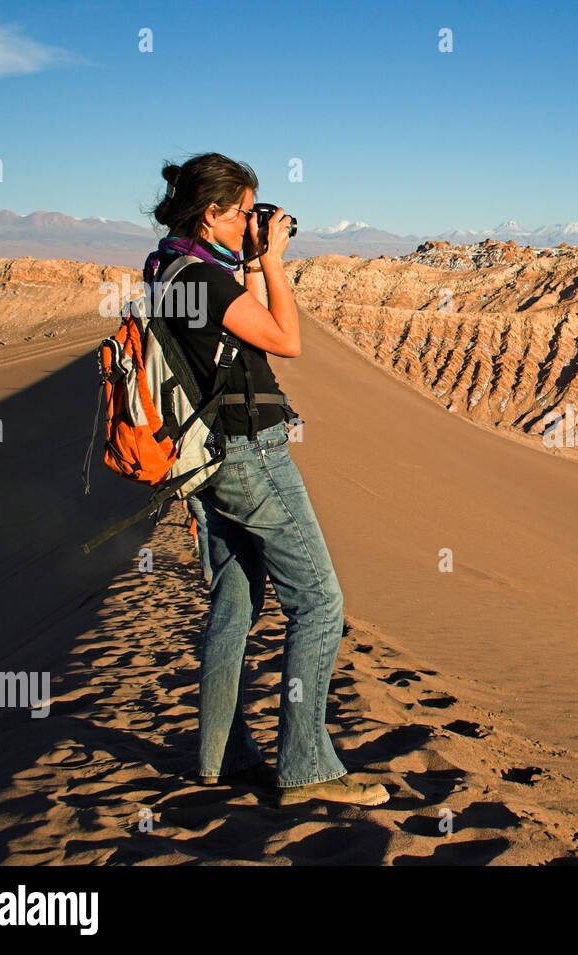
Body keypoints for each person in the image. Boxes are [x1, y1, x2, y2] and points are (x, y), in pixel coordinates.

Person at [146, 152, 388, 807]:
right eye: (244, 212)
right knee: (319, 602)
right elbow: (284, 340)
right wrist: (276, 261)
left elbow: (241, 339)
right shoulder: (203, 276)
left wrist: (252, 263)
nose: (252, 221)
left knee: (235, 600)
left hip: (209, 456)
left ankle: (220, 757)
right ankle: (306, 767)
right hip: (250, 453)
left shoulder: (171, 269)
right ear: (211, 213)